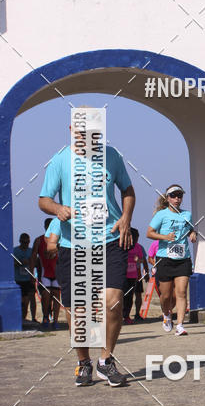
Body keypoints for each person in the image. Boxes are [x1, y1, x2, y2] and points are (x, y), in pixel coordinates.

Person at [39, 112, 135, 387]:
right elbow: (44, 199)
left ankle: (106, 361)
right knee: (79, 311)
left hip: (110, 238)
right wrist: (58, 208)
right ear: (71, 128)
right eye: (80, 129)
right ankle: (83, 363)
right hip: (75, 244)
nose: (85, 134)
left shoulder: (112, 155)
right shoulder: (60, 160)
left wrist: (126, 217)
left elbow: (128, 191)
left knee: (113, 301)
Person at [147, 185, 196, 336]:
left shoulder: (187, 215)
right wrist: (165, 237)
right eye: (173, 196)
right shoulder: (161, 215)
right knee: (166, 296)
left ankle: (180, 325)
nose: (177, 199)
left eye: (179, 196)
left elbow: (191, 229)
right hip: (165, 258)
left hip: (183, 258)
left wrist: (193, 234)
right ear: (167, 198)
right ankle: (167, 315)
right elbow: (149, 233)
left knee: (181, 292)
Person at [32, 218, 61, 330]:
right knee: (46, 296)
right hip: (45, 274)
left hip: (57, 273)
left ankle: (56, 320)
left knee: (57, 296)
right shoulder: (39, 240)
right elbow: (33, 257)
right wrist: (31, 272)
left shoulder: (61, 240)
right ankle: (45, 318)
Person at [122, 228, 148, 323]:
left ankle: (127, 316)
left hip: (134, 276)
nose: (136, 240)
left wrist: (138, 260)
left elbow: (143, 260)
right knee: (121, 296)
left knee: (130, 297)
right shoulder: (122, 245)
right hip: (122, 276)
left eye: (137, 238)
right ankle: (120, 315)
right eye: (134, 238)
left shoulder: (138, 247)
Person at [13, 232, 36, 323]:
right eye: (23, 242)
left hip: (28, 279)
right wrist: (21, 262)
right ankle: (19, 318)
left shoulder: (31, 251)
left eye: (27, 242)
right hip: (18, 279)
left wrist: (33, 276)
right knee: (20, 301)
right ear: (20, 242)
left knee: (28, 300)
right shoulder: (15, 251)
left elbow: (35, 263)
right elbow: (10, 263)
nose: (25, 244)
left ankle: (27, 318)